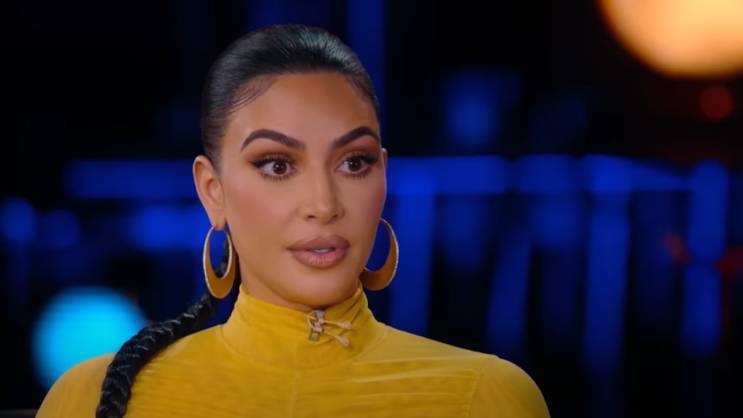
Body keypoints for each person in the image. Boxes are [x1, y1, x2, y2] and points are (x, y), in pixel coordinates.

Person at [36, 24, 550, 418]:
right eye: (277, 165)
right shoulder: (91, 397)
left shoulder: (487, 396)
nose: (324, 204)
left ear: (383, 176)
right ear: (212, 191)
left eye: (353, 163)